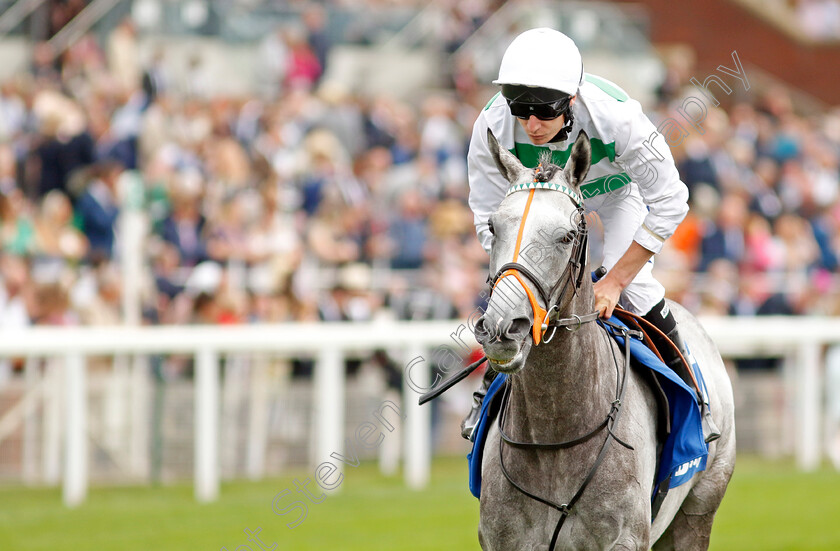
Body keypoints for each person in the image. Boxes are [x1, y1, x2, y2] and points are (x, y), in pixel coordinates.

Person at [463, 28, 720, 443]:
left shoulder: (616, 117)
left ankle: (694, 402)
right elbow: (488, 216)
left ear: (572, 101)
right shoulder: (491, 125)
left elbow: (672, 200)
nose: (531, 124)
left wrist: (615, 281)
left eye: (545, 110)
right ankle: (486, 395)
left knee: (638, 290)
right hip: (543, 205)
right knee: (512, 298)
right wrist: (521, 281)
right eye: (520, 107)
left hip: (619, 194)